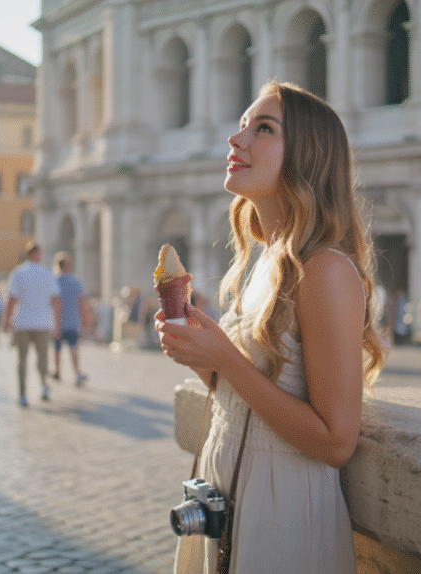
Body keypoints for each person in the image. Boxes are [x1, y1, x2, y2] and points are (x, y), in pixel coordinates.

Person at [157, 81, 386, 574]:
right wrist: (202, 357)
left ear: (308, 155)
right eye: (241, 126)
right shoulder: (262, 260)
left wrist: (223, 357)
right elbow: (243, 398)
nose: (236, 140)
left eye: (263, 128)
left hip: (281, 513)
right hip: (227, 491)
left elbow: (335, 442)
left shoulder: (325, 269)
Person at [2, 242, 62, 405]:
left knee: (22, 360)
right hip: (43, 323)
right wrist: (57, 325)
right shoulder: (47, 274)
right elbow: (56, 301)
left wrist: (6, 322)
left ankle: (23, 394)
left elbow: (11, 300)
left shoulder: (18, 273)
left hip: (23, 322)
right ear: (39, 254)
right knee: (42, 359)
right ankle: (44, 386)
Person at [51, 252, 90, 386]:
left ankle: (57, 371)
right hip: (73, 321)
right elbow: (82, 303)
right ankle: (77, 373)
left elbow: (51, 303)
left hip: (57, 323)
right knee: (73, 347)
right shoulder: (76, 282)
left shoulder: (54, 281)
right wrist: (85, 320)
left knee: (57, 348)